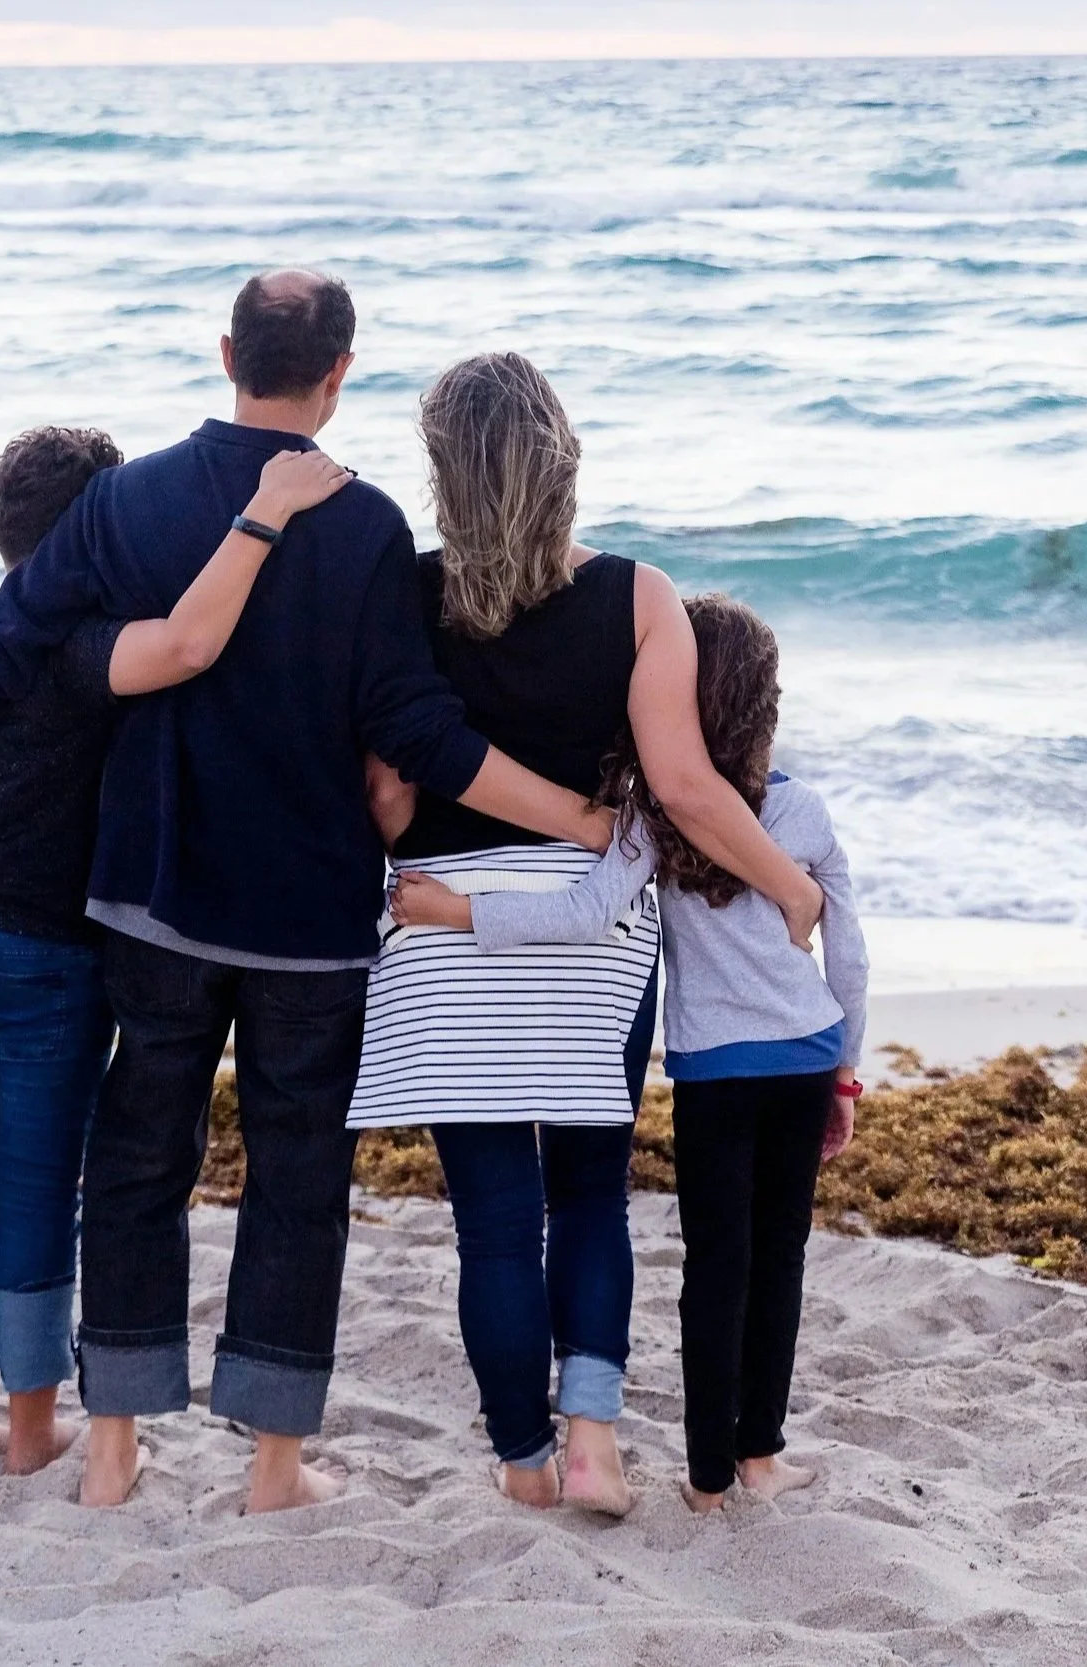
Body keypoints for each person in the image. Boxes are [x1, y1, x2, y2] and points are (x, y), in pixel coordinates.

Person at [0, 272, 617, 1515]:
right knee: (295, 1180)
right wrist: (581, 820)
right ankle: (274, 1467)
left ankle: (114, 1443)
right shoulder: (367, 525)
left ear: (226, 349)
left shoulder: (127, 501)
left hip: (154, 899)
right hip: (307, 919)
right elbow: (417, 730)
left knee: (136, 1162)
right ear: (340, 371)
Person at [348, 354, 827, 1516]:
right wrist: (789, 890)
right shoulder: (637, 595)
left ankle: (521, 1460)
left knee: (496, 1223)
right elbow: (684, 785)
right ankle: (595, 1438)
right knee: (591, 1196)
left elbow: (386, 803)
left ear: (442, 472)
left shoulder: (403, 596)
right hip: (589, 932)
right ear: (562, 459)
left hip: (443, 930)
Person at [0, 424, 353, 1475]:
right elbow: (184, 643)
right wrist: (263, 518)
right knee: (36, 1187)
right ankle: (32, 1429)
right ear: (98, 529)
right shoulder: (81, 651)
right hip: (39, 958)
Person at [393, 595, 869, 1512]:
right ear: (766, 704)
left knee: (715, 1266)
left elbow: (581, 913)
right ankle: (760, 1453)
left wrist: (455, 909)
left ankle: (703, 1481)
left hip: (712, 1072)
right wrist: (845, 1068)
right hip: (806, 1057)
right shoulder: (801, 811)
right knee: (782, 1259)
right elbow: (846, 953)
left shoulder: (654, 816)